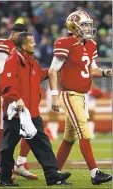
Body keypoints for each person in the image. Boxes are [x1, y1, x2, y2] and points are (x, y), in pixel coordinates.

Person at [0, 32, 71, 187]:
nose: (34, 44)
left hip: (32, 113)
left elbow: (38, 75)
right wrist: (17, 99)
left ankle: (53, 176)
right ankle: (4, 178)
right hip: (16, 114)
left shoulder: (31, 62)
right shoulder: (13, 60)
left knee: (43, 144)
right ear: (23, 46)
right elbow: (7, 85)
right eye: (31, 42)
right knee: (8, 148)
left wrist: (53, 70)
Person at [48, 11, 112, 185]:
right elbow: (53, 71)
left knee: (70, 137)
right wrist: (54, 96)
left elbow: (93, 69)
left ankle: (54, 175)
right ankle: (94, 173)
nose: (88, 28)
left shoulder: (90, 44)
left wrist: (107, 72)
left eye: (88, 24)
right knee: (84, 130)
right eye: (84, 24)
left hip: (83, 95)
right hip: (70, 94)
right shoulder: (65, 43)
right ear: (73, 26)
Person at [0, 23, 37, 180]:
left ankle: (20, 164)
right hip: (8, 93)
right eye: (22, 35)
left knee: (31, 129)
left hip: (22, 95)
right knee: (2, 132)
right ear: (14, 33)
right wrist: (6, 91)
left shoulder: (22, 49)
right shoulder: (3, 44)